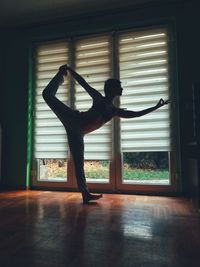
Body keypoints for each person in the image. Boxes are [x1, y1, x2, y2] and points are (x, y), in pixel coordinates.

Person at [42, 65, 169, 204]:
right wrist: (70, 71)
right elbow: (83, 83)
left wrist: (155, 107)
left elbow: (135, 114)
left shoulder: (114, 111)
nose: (122, 88)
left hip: (78, 133)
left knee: (79, 164)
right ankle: (61, 75)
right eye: (119, 86)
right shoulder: (98, 98)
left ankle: (85, 194)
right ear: (113, 89)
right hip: (74, 119)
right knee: (47, 94)